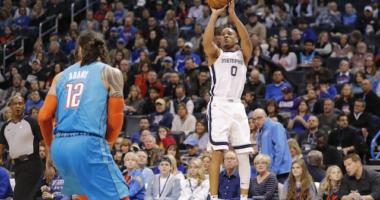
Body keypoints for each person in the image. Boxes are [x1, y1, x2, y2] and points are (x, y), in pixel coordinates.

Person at [38, 31, 129, 199]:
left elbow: (43, 117)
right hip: (87, 143)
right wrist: (108, 143)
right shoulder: (110, 73)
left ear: (79, 49)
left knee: (85, 194)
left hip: (60, 147)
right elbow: (116, 117)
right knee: (119, 195)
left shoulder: (60, 77)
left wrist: (50, 149)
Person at [202, 1, 253, 199]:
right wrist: (214, 15)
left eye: (229, 33)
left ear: (236, 38)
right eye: (222, 34)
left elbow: (247, 39)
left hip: (237, 105)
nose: (225, 35)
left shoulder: (243, 54)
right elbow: (206, 43)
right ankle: (214, 197)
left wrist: (233, 15)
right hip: (220, 105)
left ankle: (243, 196)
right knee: (218, 151)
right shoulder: (216, 54)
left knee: (243, 153)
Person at [0, 95, 43, 200]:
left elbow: (44, 141)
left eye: (20, 103)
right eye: (15, 104)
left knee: (19, 197)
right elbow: (1, 146)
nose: (18, 106)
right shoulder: (6, 127)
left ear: (24, 105)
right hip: (17, 166)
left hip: (32, 163)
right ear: (10, 106)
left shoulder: (31, 121)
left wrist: (49, 163)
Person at [252, 108, 292, 183]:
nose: (256, 121)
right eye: (254, 119)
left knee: (281, 193)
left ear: (266, 116)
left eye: (259, 118)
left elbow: (280, 150)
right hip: (267, 171)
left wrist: (274, 170)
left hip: (280, 171)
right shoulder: (259, 130)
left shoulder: (275, 126)